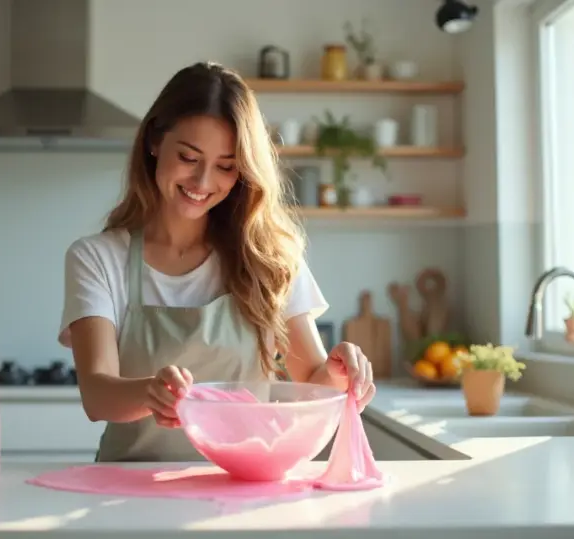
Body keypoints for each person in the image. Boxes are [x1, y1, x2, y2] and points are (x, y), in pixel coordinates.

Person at [58, 61, 375, 462]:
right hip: (129, 488)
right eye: (188, 157)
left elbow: (313, 383)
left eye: (225, 166)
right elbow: (97, 394)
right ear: (154, 141)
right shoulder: (98, 258)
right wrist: (149, 392)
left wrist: (339, 371)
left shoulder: (269, 258)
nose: (203, 182)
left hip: (242, 485)